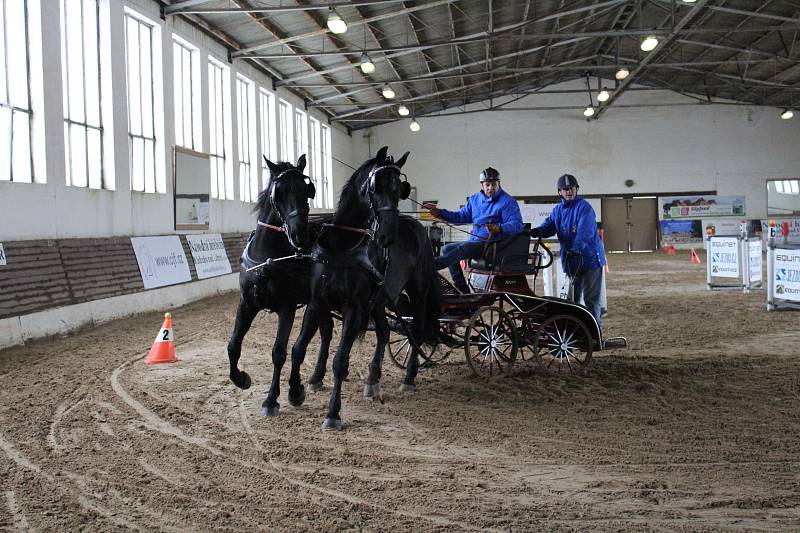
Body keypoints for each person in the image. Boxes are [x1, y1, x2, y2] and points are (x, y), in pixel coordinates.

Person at [426, 167, 524, 293]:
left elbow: (517, 225)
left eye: (494, 184)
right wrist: (440, 213)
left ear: (499, 183)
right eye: (487, 185)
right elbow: (460, 216)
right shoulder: (475, 200)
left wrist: (499, 228)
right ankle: (462, 289)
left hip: (492, 244)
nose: (491, 188)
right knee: (447, 249)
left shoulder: (507, 202)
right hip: (475, 241)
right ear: (482, 185)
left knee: (463, 249)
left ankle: (433, 265)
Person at [530, 174, 606, 327]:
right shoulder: (557, 210)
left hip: (590, 259)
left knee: (592, 301)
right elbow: (549, 226)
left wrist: (576, 248)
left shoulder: (585, 208)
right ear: (559, 192)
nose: (568, 192)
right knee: (572, 301)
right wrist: (535, 232)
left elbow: (585, 233)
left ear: (576, 189)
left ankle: (594, 334)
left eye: (571, 188)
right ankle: (575, 331)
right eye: (565, 189)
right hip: (572, 261)